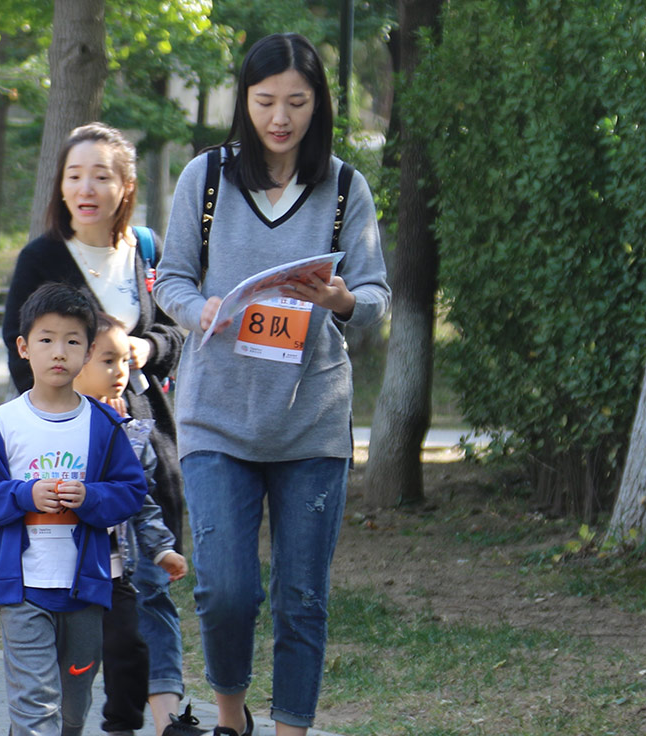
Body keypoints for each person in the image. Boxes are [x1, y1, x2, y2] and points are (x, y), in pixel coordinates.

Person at [152, 33, 389, 736]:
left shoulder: (345, 188)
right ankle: (232, 718)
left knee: (301, 596)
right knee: (226, 589)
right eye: (264, 102)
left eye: (296, 102)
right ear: (244, 102)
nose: (280, 117)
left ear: (319, 105)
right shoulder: (207, 178)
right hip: (216, 417)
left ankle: (291, 729)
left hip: (311, 422)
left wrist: (342, 300)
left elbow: (376, 296)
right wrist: (202, 310)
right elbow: (170, 279)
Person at [1, 122, 195, 734]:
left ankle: (157, 718)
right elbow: (20, 353)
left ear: (126, 186)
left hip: (144, 437)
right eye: (75, 175)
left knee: (150, 589)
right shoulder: (42, 259)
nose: (86, 189)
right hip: (69, 451)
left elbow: (178, 331)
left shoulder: (146, 252)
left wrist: (145, 348)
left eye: (101, 176)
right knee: (90, 598)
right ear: (60, 186)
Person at [0, 282, 145, 736]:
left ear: (88, 352)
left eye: (72, 341)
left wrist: (91, 498)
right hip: (21, 588)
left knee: (71, 710)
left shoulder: (104, 425)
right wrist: (24, 495)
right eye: (46, 339)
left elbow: (130, 491)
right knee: (35, 704)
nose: (59, 352)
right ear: (24, 347)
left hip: (85, 589)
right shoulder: (3, 422)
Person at [68, 315, 195, 736]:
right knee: (71, 665)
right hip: (63, 572)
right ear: (77, 363)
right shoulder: (50, 423)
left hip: (116, 569)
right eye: (108, 360)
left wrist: (161, 549)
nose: (120, 371)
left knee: (130, 650)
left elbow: (141, 498)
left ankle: (123, 727)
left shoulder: (131, 432)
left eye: (125, 360)